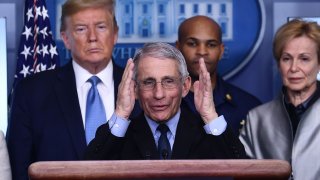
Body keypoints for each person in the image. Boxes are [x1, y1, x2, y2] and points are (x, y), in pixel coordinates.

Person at [7, 0, 140, 179]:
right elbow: (19, 169)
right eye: (81, 29)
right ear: (66, 39)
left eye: (101, 27)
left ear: (115, 34)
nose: (92, 37)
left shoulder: (141, 87)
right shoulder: (31, 92)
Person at [84, 42, 246, 160]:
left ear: (185, 86)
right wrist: (120, 113)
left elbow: (240, 171)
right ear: (135, 89)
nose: (159, 94)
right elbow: (88, 173)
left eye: (168, 81)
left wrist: (210, 115)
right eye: (148, 82)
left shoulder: (207, 134)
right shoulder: (120, 136)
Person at [239, 19, 320, 180]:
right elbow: (243, 173)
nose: (294, 68)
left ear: (318, 64)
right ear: (278, 64)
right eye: (286, 58)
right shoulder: (257, 118)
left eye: (304, 59)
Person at [176, 16, 261, 136]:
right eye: (192, 43)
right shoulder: (159, 103)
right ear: (178, 48)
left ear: (221, 51)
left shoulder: (249, 106)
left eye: (211, 45)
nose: (202, 51)